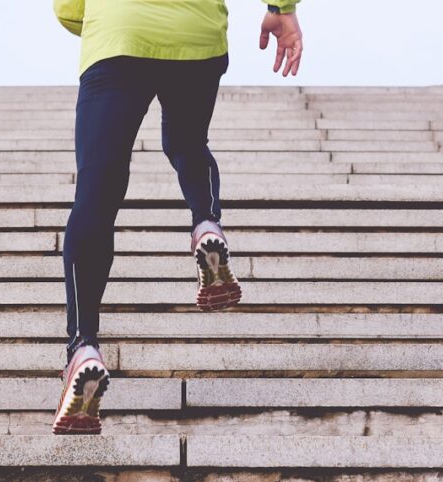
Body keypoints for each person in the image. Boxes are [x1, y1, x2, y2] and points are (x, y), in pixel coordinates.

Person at [52, 0, 304, 435]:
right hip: (197, 36)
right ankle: (206, 222)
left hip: (118, 34)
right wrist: (282, 8)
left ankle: (83, 347)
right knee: (188, 142)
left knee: (97, 191)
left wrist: (100, 19)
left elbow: (67, 10)